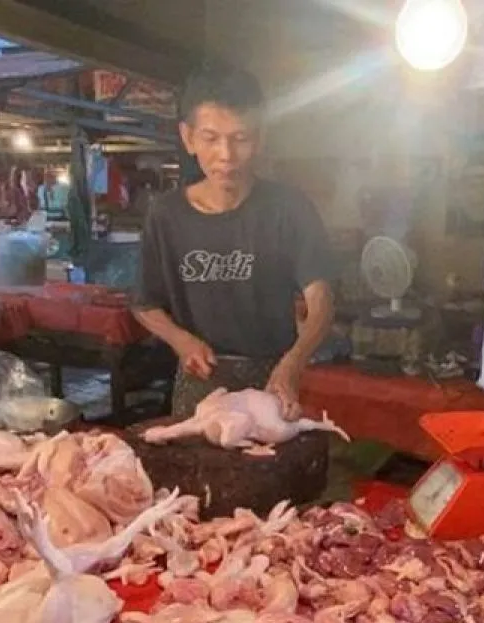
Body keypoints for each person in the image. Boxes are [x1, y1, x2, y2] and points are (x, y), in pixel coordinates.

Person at [132, 64, 336, 420]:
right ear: (188, 137)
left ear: (260, 137)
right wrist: (182, 341)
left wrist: (293, 363)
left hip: (275, 380)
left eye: (240, 138)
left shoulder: (289, 209)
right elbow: (144, 303)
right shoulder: (166, 215)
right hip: (201, 381)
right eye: (211, 138)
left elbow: (321, 299)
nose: (226, 155)